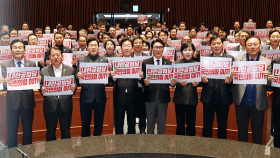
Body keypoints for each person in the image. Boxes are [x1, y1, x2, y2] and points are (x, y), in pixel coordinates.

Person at [0, 39, 41, 148]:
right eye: (15, 47)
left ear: (24, 50)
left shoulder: (32, 63)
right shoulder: (5, 64)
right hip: (12, 102)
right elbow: (4, 85)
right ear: (11, 50)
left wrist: (38, 80)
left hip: (27, 101)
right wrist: (3, 82)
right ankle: (12, 152)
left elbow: (35, 82)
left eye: (20, 47)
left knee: (28, 129)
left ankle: (27, 151)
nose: (18, 50)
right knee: (11, 130)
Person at [232, 36, 271, 145]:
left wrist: (268, 78)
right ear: (245, 46)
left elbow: (269, 84)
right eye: (249, 45)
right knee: (242, 131)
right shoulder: (238, 59)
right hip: (241, 102)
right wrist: (231, 75)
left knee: (257, 132)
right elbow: (231, 80)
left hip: (258, 103)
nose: (252, 47)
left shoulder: (267, 62)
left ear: (260, 46)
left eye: (255, 44)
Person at [201, 35, 234, 139]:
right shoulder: (205, 59)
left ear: (222, 45)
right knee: (207, 125)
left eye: (218, 43)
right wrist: (202, 80)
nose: (216, 46)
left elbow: (236, 78)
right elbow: (199, 76)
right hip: (208, 97)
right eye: (213, 43)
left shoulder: (230, 59)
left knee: (222, 125)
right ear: (210, 45)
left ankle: (221, 150)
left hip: (223, 97)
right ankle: (205, 149)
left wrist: (230, 81)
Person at [40, 46, 76, 141]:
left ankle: (67, 151)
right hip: (50, 105)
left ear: (62, 57)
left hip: (65, 104)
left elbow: (75, 82)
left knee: (66, 131)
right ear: (49, 57)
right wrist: (41, 89)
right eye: (53, 55)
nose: (55, 57)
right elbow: (40, 85)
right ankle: (51, 153)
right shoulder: (44, 70)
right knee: (50, 131)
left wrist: (74, 87)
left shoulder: (70, 69)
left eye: (57, 55)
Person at [76, 37, 109, 136]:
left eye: (95, 45)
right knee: (85, 123)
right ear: (87, 47)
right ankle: (86, 146)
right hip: (86, 97)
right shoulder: (81, 60)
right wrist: (78, 76)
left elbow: (107, 80)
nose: (93, 48)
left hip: (100, 96)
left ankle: (97, 144)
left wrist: (108, 75)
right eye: (91, 45)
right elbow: (76, 78)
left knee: (99, 123)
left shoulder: (104, 60)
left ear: (99, 48)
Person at [140, 39, 174, 134]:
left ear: (163, 49)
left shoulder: (169, 63)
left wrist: (173, 82)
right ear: (152, 49)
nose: (158, 49)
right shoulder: (146, 62)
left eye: (160, 47)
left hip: (163, 95)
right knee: (150, 122)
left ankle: (161, 144)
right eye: (156, 47)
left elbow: (172, 80)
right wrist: (144, 81)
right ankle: (150, 143)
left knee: (162, 122)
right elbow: (141, 78)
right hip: (150, 95)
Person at [110, 38, 142, 134]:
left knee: (132, 123)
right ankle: (119, 145)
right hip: (119, 95)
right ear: (121, 49)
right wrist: (113, 77)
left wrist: (141, 77)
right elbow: (113, 80)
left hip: (133, 96)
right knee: (119, 123)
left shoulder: (137, 62)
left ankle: (132, 145)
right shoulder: (115, 62)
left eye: (129, 46)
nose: (127, 48)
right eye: (124, 46)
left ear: (132, 49)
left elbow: (141, 80)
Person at [173, 42, 199, 136]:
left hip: (192, 98)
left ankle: (190, 146)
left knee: (191, 124)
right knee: (180, 124)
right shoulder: (176, 63)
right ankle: (179, 146)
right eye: (185, 50)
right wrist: (179, 83)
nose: (187, 52)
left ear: (194, 52)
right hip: (179, 98)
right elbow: (172, 81)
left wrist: (197, 83)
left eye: (189, 50)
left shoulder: (197, 64)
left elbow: (201, 81)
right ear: (181, 52)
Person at [270, 56, 280, 148]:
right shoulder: (276, 61)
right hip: (279, 102)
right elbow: (271, 85)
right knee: (278, 131)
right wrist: (271, 79)